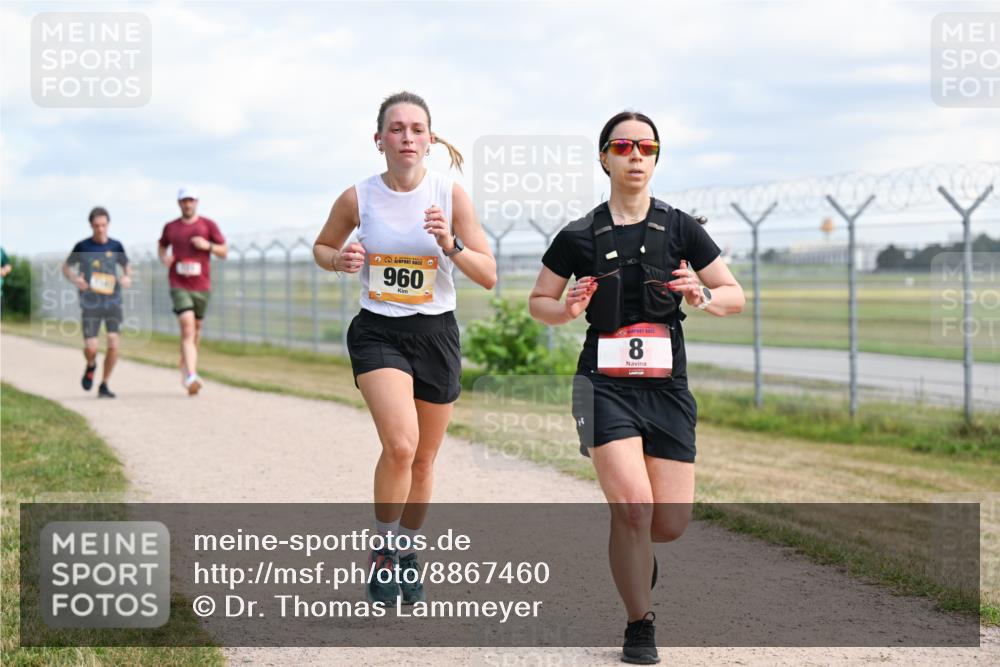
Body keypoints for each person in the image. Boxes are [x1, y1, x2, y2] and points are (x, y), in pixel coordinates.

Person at [528, 111, 745, 664]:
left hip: (667, 388)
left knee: (666, 524)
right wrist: (567, 307)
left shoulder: (680, 229)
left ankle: (638, 553)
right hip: (603, 385)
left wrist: (702, 295)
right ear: (604, 156)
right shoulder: (578, 235)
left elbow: (734, 295)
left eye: (646, 147)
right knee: (632, 508)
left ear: (655, 157)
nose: (636, 155)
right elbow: (539, 302)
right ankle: (638, 624)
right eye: (623, 146)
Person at [313, 91, 496, 605]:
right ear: (379, 140)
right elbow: (322, 246)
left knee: (424, 461)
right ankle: (382, 548)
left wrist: (450, 245)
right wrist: (339, 261)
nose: (407, 137)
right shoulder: (358, 197)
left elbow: (488, 275)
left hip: (435, 335)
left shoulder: (450, 194)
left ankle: (408, 551)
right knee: (401, 445)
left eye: (417, 129)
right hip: (379, 330)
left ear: (431, 140)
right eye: (397, 129)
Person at [158, 187, 227, 395]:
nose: (188, 204)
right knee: (187, 328)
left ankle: (185, 369)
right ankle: (192, 375)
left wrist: (208, 246)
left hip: (202, 286)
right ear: (179, 203)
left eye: (191, 200)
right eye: (184, 201)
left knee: (195, 332)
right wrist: (164, 258)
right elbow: (162, 246)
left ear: (197, 202)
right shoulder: (171, 227)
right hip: (178, 284)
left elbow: (224, 251)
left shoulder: (208, 225)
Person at [62, 207, 133, 398]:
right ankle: (91, 365)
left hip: (113, 302)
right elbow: (66, 267)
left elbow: (127, 267)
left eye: (103, 225)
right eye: (96, 226)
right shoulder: (83, 246)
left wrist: (127, 277)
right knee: (91, 347)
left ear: (108, 225)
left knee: (113, 342)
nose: (100, 229)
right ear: (91, 226)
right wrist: (75, 279)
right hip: (90, 303)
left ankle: (104, 383)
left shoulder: (116, 246)